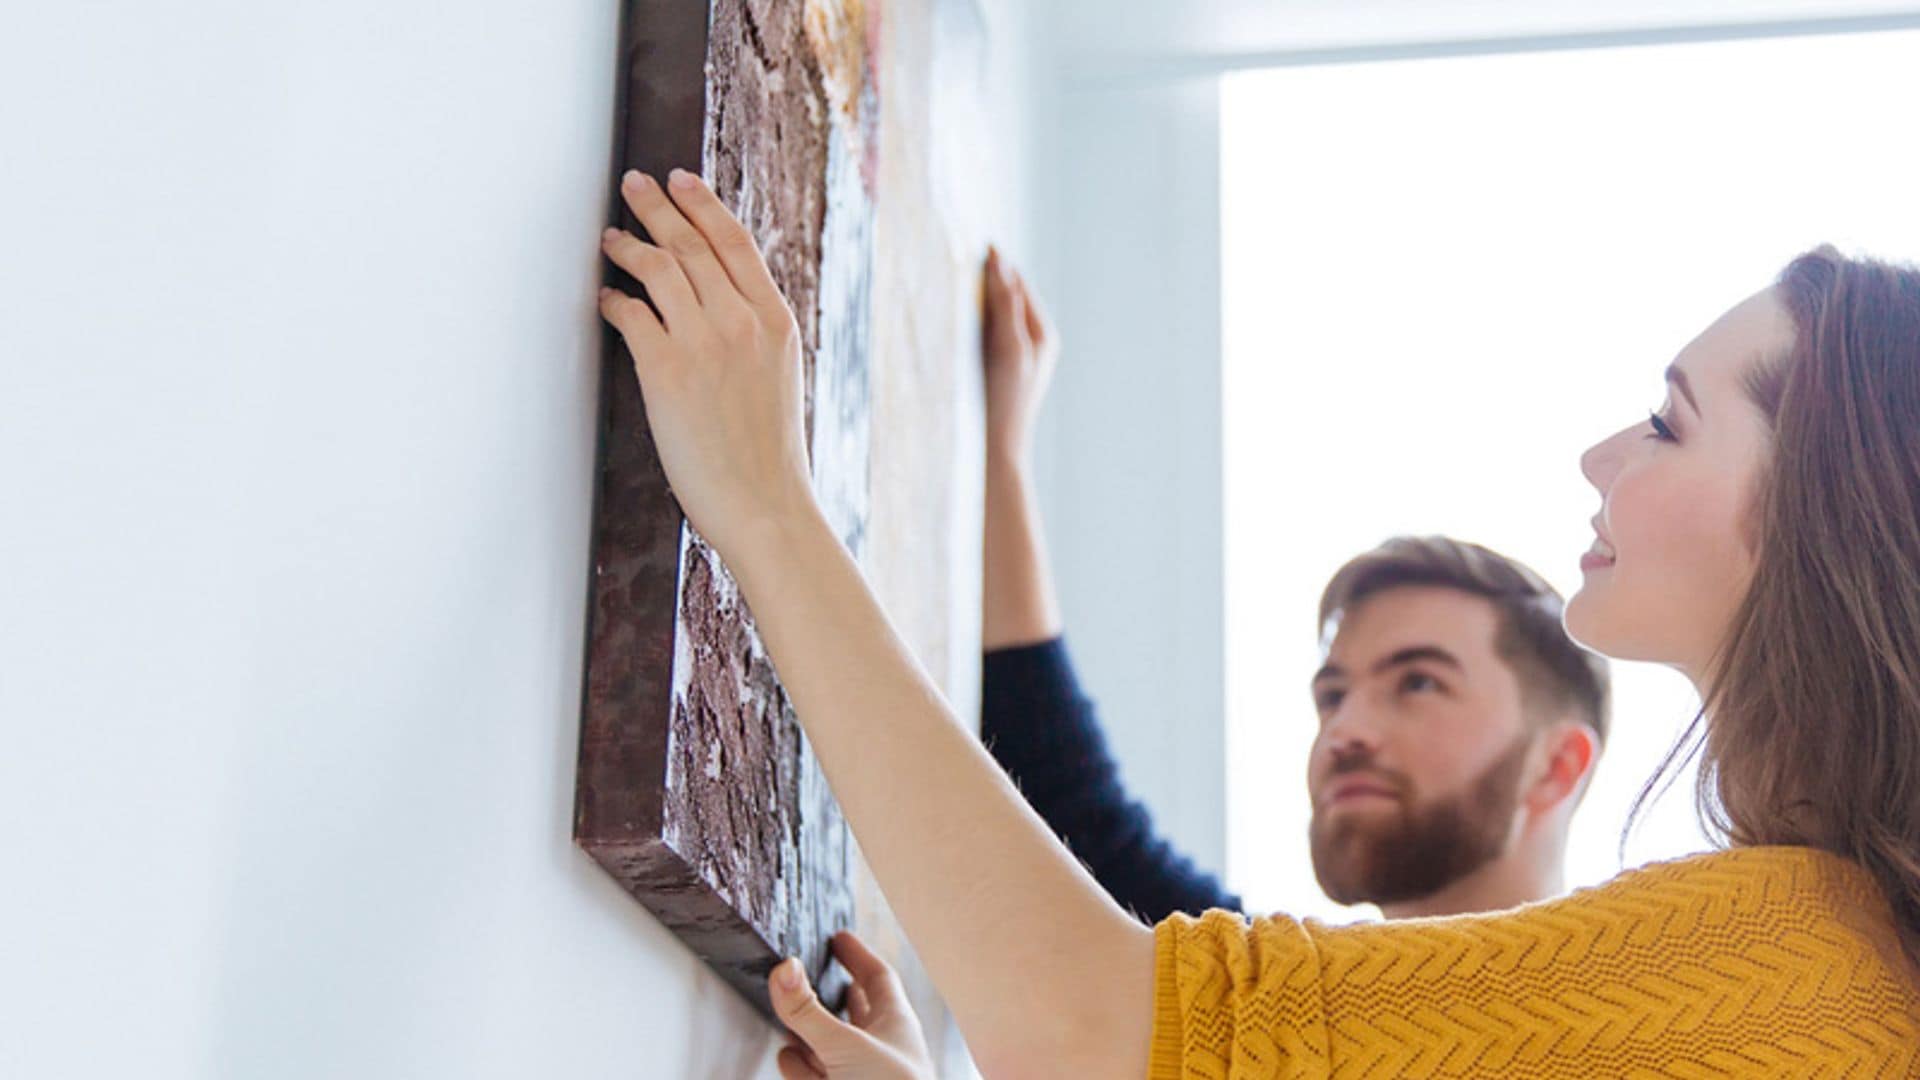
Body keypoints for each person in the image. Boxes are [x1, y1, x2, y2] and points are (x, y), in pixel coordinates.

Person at [596, 167, 1920, 1078]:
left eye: (1670, 419)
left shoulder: (1806, 952)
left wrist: (763, 500)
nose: (1599, 455)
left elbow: (1086, 1031)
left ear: (1823, 511)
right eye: (1331, 690)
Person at [973, 250, 1611, 924]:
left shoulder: (1640, 1021)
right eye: (1331, 695)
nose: (1344, 731)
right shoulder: (1278, 1005)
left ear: (1556, 766)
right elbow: (1072, 818)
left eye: (1418, 682)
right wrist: (1003, 452)